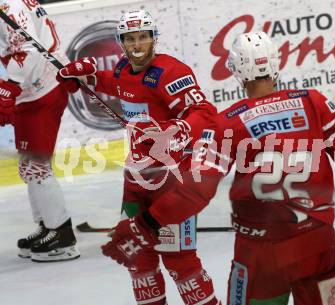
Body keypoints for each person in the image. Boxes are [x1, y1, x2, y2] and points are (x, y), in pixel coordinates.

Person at [125, 31, 335, 305]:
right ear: (275, 63)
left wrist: (150, 221)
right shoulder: (313, 102)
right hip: (319, 244)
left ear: (235, 71)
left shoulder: (227, 122)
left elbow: (197, 188)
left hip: (259, 253)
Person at [56, 9, 221, 305]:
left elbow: (206, 114)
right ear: (121, 42)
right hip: (136, 179)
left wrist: (178, 129)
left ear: (153, 38)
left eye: (143, 37)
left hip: (173, 182)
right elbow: (115, 84)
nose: (137, 44)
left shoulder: (171, 73)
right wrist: (87, 76)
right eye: (130, 38)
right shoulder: (122, 69)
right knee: (138, 262)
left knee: (180, 263)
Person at [0, 0, 79, 262]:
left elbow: (29, 49)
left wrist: (9, 88)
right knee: (29, 166)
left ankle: (63, 236)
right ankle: (48, 226)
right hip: (34, 88)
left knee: (36, 166)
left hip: (43, 88)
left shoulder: (9, 7)